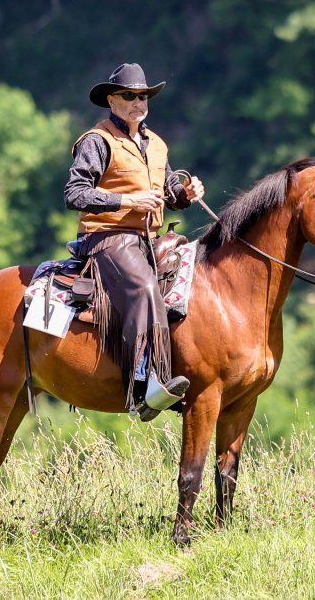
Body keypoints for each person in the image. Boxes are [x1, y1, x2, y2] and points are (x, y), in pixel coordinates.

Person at [63, 63, 205, 421]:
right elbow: (75, 194)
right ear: (112, 100)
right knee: (144, 287)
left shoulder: (156, 144)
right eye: (129, 96)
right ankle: (145, 382)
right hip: (105, 237)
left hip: (148, 238)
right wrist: (128, 201)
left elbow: (170, 192)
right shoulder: (97, 141)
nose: (138, 102)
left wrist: (186, 193)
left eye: (143, 96)